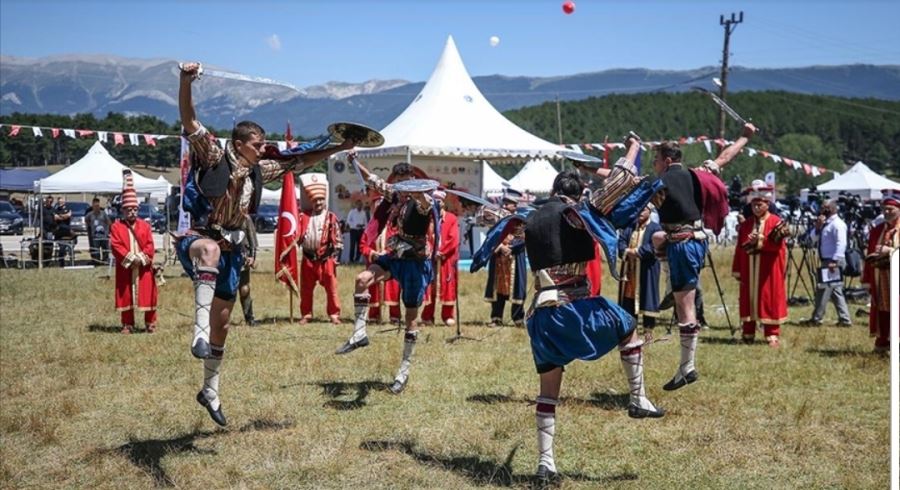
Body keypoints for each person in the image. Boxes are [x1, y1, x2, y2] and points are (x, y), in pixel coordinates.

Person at [176, 61, 355, 426]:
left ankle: (209, 390)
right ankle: (197, 334)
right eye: (257, 145)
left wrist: (337, 148)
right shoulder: (213, 154)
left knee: (223, 324)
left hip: (231, 250)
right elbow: (189, 119)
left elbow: (299, 162)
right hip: (199, 238)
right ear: (239, 144)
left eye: (262, 144)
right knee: (208, 253)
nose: (263, 149)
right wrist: (185, 81)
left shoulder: (261, 169)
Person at [506, 166, 664, 483]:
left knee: (548, 392)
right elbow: (612, 199)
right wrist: (643, 172)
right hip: (570, 309)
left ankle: (545, 464)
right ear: (577, 194)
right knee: (628, 323)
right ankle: (638, 398)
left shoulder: (530, 219)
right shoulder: (574, 213)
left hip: (540, 317)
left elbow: (514, 244)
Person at [650, 122, 756, 391]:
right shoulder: (698, 174)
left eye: (656, 160)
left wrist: (593, 170)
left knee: (685, 309)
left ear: (667, 160)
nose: (654, 164)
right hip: (693, 242)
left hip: (684, 243)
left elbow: (624, 184)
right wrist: (745, 137)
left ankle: (687, 367)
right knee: (657, 239)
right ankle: (671, 287)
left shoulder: (659, 182)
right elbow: (725, 157)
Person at [335, 157, 439, 395]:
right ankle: (359, 334)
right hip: (395, 256)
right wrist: (353, 160)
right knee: (362, 279)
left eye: (406, 183)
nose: (402, 189)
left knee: (411, 318)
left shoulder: (424, 200)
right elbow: (373, 181)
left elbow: (424, 206)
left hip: (415, 263)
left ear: (413, 181)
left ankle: (403, 371)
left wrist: (420, 192)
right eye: (399, 184)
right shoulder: (395, 195)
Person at [732, 184, 788, 347]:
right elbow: (739, 248)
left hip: (768, 269)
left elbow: (778, 246)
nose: (756, 208)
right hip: (749, 268)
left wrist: (760, 240)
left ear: (768, 204)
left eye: (760, 205)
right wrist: (738, 269)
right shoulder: (746, 224)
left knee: (769, 298)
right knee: (748, 299)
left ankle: (771, 334)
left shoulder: (777, 222)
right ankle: (748, 331)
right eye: (754, 205)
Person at [110, 171, 158, 334]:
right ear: (123, 210)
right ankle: (127, 324)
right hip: (126, 266)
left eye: (134, 209)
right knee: (126, 293)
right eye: (129, 209)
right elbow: (116, 245)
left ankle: (150, 323)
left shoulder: (145, 225)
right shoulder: (117, 226)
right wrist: (130, 258)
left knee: (148, 292)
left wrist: (142, 258)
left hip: (143, 265)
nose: (132, 212)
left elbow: (150, 245)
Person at [298, 176, 343, 325]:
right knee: (306, 289)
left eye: (321, 200)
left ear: (325, 201)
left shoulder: (331, 217)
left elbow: (337, 239)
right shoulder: (302, 217)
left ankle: (334, 314)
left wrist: (336, 257)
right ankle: (306, 314)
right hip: (308, 258)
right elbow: (295, 235)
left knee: (331, 288)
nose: (318, 202)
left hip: (326, 259)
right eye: (315, 200)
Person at [802, 200, 852, 327]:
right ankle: (845, 319)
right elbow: (812, 239)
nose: (823, 209)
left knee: (823, 290)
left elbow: (842, 243)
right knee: (836, 291)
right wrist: (817, 226)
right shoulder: (825, 223)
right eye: (822, 206)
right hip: (826, 260)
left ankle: (816, 318)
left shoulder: (838, 224)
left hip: (833, 261)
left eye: (826, 207)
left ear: (834, 208)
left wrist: (835, 261)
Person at [618, 204, 662, 340]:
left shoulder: (655, 228)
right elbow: (621, 242)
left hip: (646, 270)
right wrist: (626, 251)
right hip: (629, 272)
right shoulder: (629, 226)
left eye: (643, 209)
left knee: (647, 297)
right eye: (638, 209)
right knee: (628, 299)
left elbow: (654, 246)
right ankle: (630, 330)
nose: (639, 212)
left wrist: (637, 252)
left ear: (649, 211)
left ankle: (648, 331)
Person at [863, 189, 900, 353]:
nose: (886, 212)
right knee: (883, 308)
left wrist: (890, 251)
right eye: (884, 209)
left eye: (890, 209)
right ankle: (883, 340)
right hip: (881, 277)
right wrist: (867, 278)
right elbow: (868, 255)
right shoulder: (876, 231)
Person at [484, 193, 527, 327]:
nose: (505, 205)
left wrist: (511, 248)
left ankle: (518, 318)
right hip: (499, 259)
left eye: (508, 203)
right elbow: (491, 236)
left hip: (514, 257)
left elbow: (523, 238)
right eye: (504, 202)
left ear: (515, 206)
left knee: (517, 288)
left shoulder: (520, 221)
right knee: (498, 288)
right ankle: (496, 317)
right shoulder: (497, 220)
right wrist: (501, 246)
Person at [421, 195, 459, 326]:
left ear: (444, 202)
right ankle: (427, 316)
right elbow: (424, 237)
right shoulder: (427, 218)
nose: (437, 203)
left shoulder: (451, 218)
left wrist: (441, 251)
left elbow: (453, 239)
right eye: (434, 200)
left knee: (447, 285)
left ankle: (447, 315)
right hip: (430, 257)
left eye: (439, 200)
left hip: (446, 259)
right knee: (430, 286)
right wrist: (430, 251)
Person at [238, 215, 258, 326]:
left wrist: (252, 256)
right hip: (226, 258)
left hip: (243, 258)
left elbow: (252, 239)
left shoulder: (245, 218)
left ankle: (249, 318)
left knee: (244, 289)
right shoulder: (222, 216)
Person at [86, 197, 112, 264]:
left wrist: (108, 231)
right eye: (95, 206)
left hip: (104, 235)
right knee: (95, 250)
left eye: (97, 205)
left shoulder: (103, 213)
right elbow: (87, 222)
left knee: (105, 250)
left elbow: (109, 222)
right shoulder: (90, 214)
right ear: (92, 205)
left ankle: (105, 261)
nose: (96, 207)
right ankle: (96, 261)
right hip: (95, 236)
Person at [54, 196, 75, 266]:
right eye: (59, 201)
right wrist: (63, 216)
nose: (60, 202)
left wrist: (61, 216)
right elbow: (55, 217)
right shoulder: (56, 209)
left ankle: (71, 261)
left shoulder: (68, 208)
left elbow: (68, 215)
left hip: (67, 230)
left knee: (70, 246)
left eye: (61, 201)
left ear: (64, 201)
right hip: (59, 231)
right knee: (61, 247)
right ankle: (61, 262)